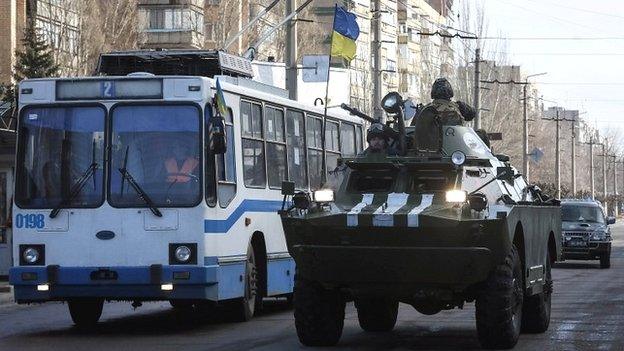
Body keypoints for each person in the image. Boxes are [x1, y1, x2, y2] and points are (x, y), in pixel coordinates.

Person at [411, 78, 476, 151]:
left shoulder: (424, 109)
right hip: (456, 148)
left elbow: (412, 130)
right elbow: (472, 114)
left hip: (428, 150)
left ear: (433, 92)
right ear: (450, 91)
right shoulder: (459, 106)